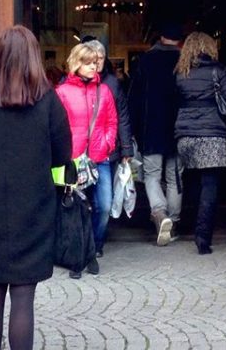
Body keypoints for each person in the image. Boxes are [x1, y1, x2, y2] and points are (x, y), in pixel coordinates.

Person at [0, 25, 72, 350]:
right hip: (33, 209)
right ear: (33, 58)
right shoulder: (47, 100)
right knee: (24, 293)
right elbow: (63, 155)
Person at [55, 41, 119, 278]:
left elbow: (112, 121)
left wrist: (108, 143)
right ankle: (79, 254)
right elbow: (57, 126)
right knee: (76, 209)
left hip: (99, 157)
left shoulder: (105, 91)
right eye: (88, 62)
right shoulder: (62, 92)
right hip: (74, 160)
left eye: (96, 63)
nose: (94, 67)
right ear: (76, 63)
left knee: (103, 206)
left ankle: (95, 246)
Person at [173, 31, 226, 255]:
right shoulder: (218, 71)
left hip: (185, 134)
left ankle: (189, 227)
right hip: (212, 133)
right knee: (210, 185)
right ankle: (203, 237)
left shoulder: (181, 73)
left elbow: (174, 101)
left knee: (191, 183)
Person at [128, 23, 183, 245]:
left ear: (161, 37)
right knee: (174, 177)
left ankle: (160, 215)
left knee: (151, 175)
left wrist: (132, 131)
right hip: (178, 128)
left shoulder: (146, 61)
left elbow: (134, 99)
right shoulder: (185, 61)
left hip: (151, 129)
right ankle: (174, 221)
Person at [81, 36, 134, 257]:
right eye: (94, 58)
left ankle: (97, 242)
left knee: (104, 203)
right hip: (80, 154)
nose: (98, 62)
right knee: (81, 203)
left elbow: (121, 117)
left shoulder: (112, 83)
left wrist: (126, 149)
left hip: (106, 152)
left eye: (102, 58)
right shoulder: (72, 84)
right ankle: (83, 245)